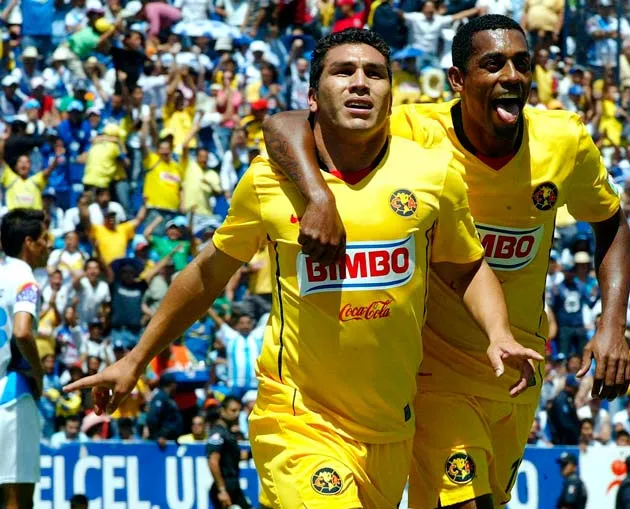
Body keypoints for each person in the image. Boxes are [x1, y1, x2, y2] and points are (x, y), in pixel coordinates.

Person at [65, 28, 538, 509]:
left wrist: (498, 331)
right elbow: (206, 275)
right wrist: (135, 359)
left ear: (391, 98)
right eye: (343, 72)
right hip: (298, 419)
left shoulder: (431, 175)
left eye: (374, 74)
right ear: (312, 97)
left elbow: (466, 267)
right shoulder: (267, 182)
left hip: (391, 428)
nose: (360, 83)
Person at [261, 15, 630, 508]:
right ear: (458, 80)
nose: (512, 77)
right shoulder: (417, 132)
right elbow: (286, 123)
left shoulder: (563, 141)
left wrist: (612, 325)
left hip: (515, 369)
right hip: (434, 374)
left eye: (522, 64)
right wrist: (318, 197)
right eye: (493, 64)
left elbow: (610, 221)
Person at [0, 208, 49, 509]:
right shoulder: (26, 279)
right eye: (44, 239)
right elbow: (21, 332)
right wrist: (39, 372)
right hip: (13, 395)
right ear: (29, 242)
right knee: (19, 500)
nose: (49, 244)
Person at [207, 396, 251, 509]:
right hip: (225, 487)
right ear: (222, 411)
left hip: (233, 486)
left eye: (238, 411)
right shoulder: (217, 433)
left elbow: (237, 456)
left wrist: (255, 453)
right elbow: (213, 461)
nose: (236, 414)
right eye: (233, 410)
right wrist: (222, 490)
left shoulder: (228, 433)